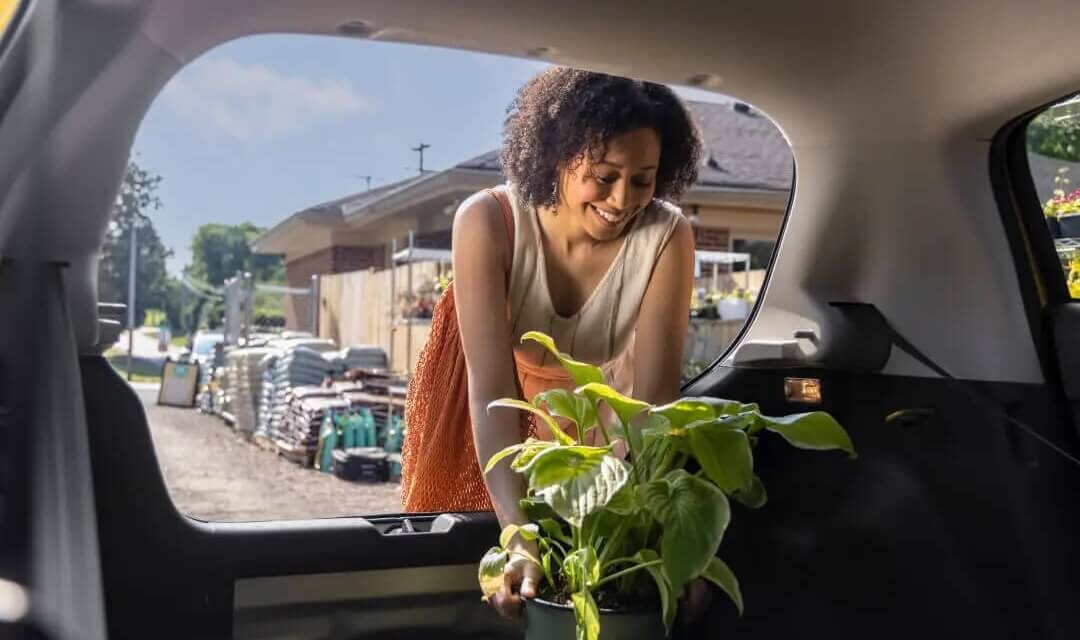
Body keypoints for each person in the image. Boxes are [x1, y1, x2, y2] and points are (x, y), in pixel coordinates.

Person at [402, 67, 702, 618]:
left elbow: (652, 404)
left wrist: (659, 536)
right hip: (491, 413)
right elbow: (489, 390)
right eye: (603, 175)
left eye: (643, 179)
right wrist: (518, 536)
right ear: (558, 155)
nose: (622, 199)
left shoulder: (667, 236)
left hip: (595, 417)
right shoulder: (488, 222)